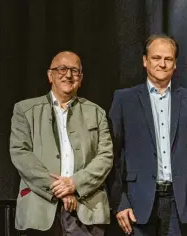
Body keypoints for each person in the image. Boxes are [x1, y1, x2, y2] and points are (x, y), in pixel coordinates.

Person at [110, 34, 187, 236]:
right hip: (137, 203)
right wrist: (119, 201)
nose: (162, 64)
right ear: (145, 61)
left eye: (168, 59)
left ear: (175, 64)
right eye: (156, 58)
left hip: (181, 203)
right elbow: (112, 156)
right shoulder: (124, 100)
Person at [9, 51, 113, 235]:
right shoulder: (25, 110)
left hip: (86, 208)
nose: (68, 75)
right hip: (39, 208)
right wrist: (60, 189)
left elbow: (105, 157)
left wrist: (75, 183)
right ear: (50, 75)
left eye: (74, 71)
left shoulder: (97, 112)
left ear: (80, 79)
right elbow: (21, 153)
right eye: (62, 69)